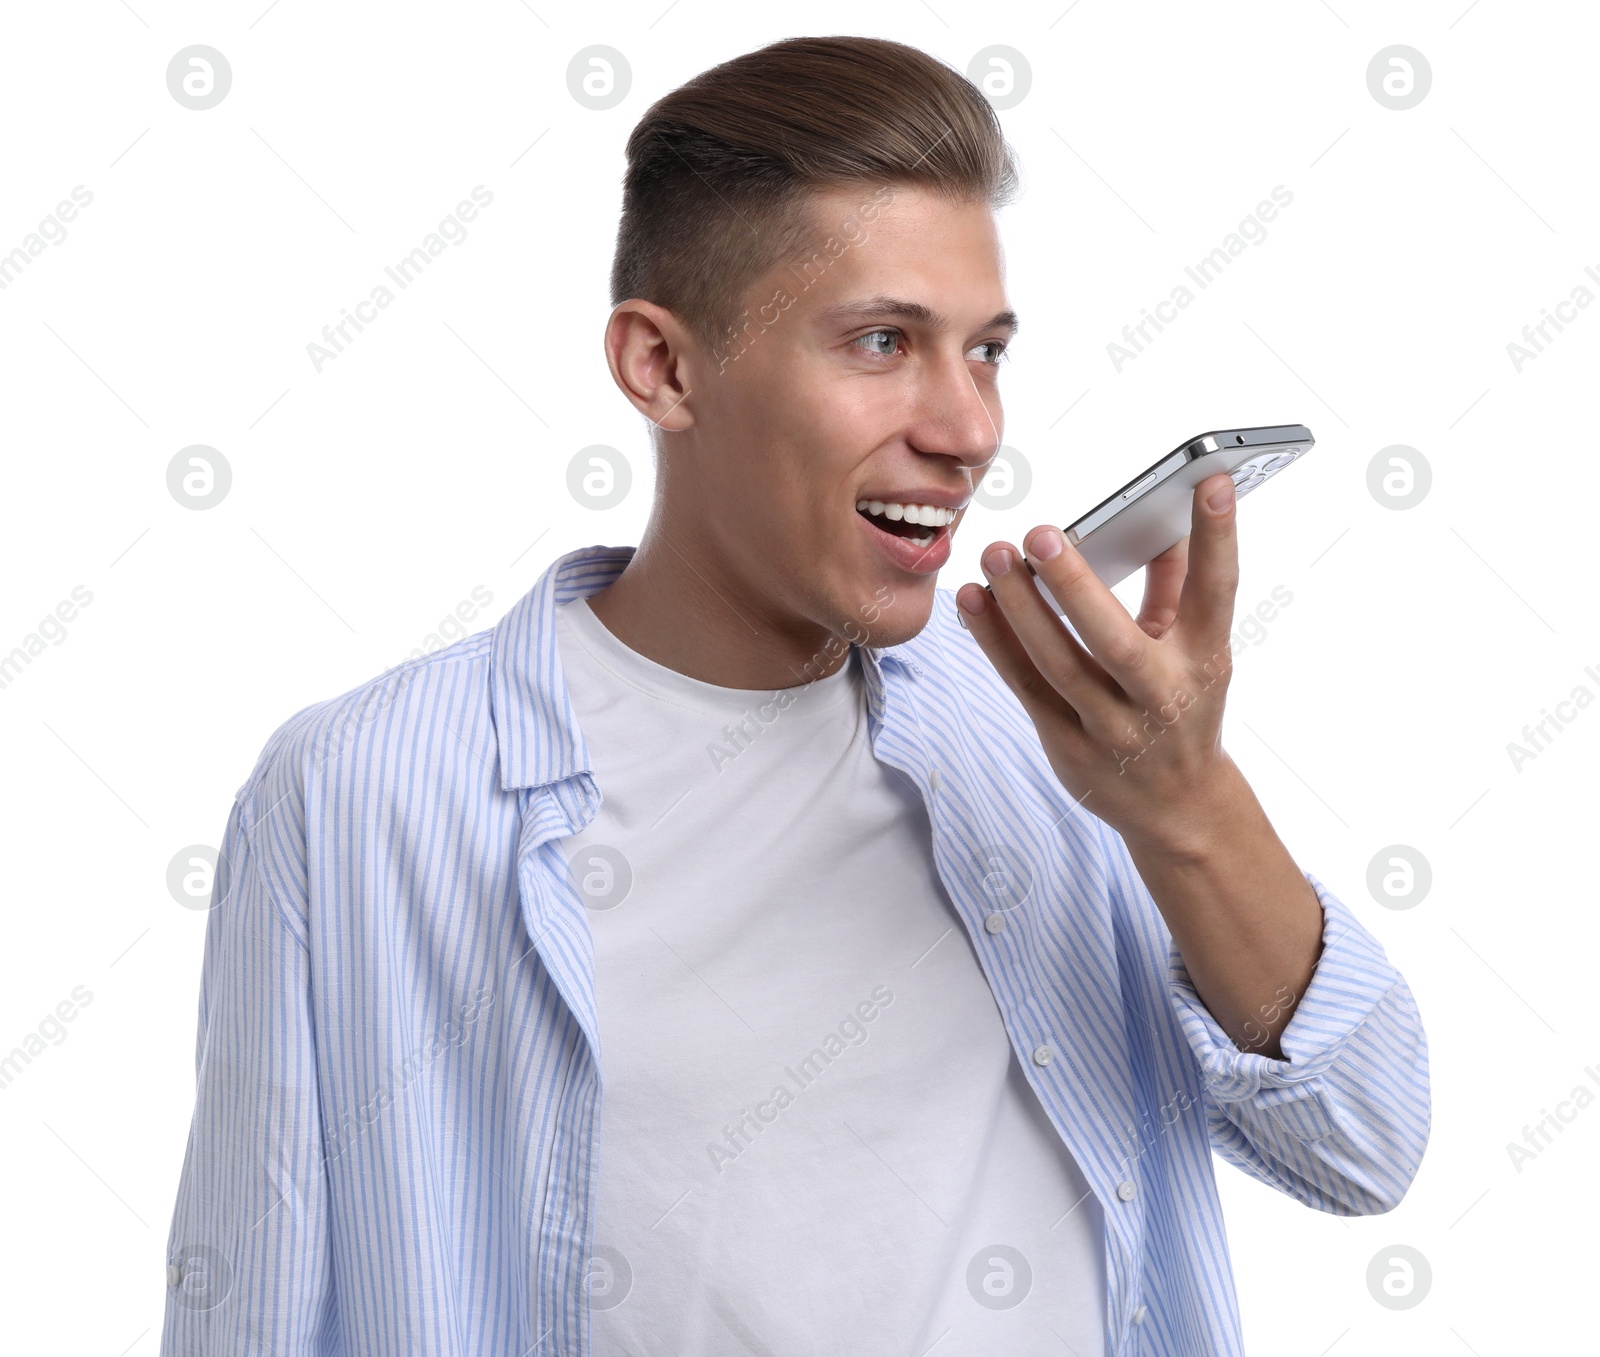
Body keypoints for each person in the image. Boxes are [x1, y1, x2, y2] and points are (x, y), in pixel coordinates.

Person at [160, 34, 1430, 1357]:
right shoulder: (365, 792)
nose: (969, 427)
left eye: (985, 351)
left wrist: (1187, 812)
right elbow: (249, 1301)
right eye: (883, 342)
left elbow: (1364, 1143)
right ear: (664, 368)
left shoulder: (1041, 712)